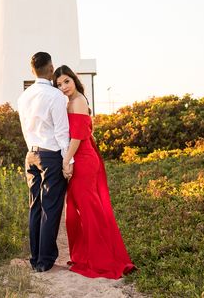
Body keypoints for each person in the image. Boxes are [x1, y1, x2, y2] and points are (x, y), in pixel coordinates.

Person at [53, 65, 136, 279]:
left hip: (82, 159)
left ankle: (101, 258)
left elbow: (78, 135)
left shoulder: (79, 100)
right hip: (79, 156)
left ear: (74, 80)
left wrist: (66, 161)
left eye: (66, 82)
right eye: (59, 84)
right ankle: (87, 255)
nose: (63, 87)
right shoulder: (68, 101)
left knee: (89, 210)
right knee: (80, 209)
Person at [17, 52, 70, 272]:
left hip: (31, 154)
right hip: (51, 155)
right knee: (50, 207)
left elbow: (25, 130)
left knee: (35, 206)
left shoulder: (23, 97)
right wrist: (68, 160)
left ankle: (35, 257)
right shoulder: (56, 96)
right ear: (50, 69)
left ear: (32, 71)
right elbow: (62, 132)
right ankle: (45, 260)